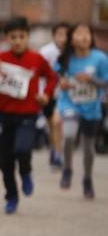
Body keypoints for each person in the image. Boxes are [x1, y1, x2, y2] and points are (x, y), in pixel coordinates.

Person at [0, 16, 58, 214]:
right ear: (7, 38)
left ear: (27, 37)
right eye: (13, 37)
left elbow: (51, 77)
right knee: (4, 162)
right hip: (3, 115)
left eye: (21, 36)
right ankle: (11, 196)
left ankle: (26, 172)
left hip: (27, 115)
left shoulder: (36, 59)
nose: (17, 41)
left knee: (23, 149)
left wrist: (45, 95)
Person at [55, 23, 108, 199]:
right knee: (69, 135)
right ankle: (67, 169)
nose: (84, 36)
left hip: (92, 108)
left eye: (88, 33)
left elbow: (106, 82)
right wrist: (62, 83)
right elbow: (57, 77)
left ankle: (87, 179)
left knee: (88, 148)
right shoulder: (65, 58)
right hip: (70, 103)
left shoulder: (100, 58)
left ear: (92, 38)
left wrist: (92, 79)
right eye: (79, 33)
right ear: (71, 38)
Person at [40, 22, 70, 168]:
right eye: (60, 35)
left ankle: (58, 154)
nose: (63, 38)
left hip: (67, 96)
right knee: (51, 125)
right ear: (53, 36)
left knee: (58, 124)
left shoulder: (72, 53)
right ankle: (54, 149)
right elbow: (39, 75)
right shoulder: (45, 53)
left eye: (66, 35)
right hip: (49, 94)